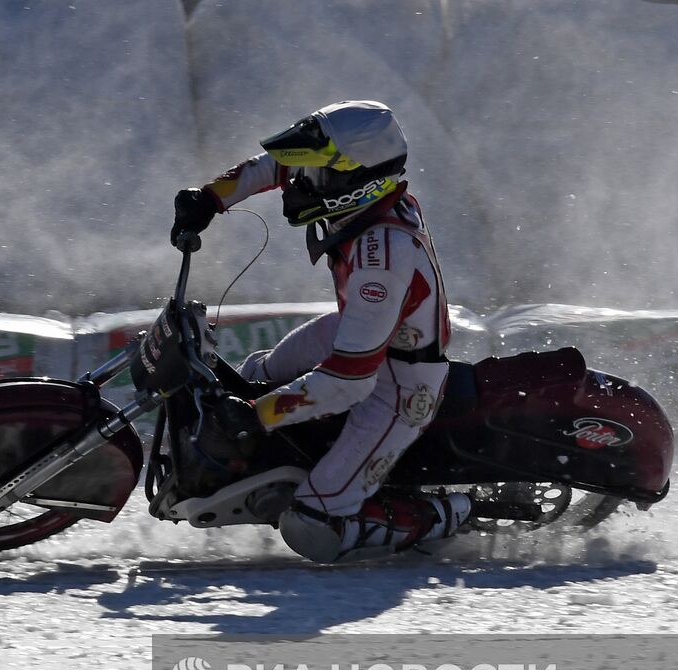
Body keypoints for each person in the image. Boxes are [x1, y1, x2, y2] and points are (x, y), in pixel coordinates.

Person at [169, 100, 472, 563]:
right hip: (364, 336)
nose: (300, 182)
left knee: (312, 525)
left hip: (398, 389)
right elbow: (274, 165)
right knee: (253, 376)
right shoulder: (367, 191)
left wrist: (258, 418)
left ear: (356, 178)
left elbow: (348, 383)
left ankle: (454, 512)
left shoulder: (382, 258)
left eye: (317, 174)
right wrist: (210, 198)